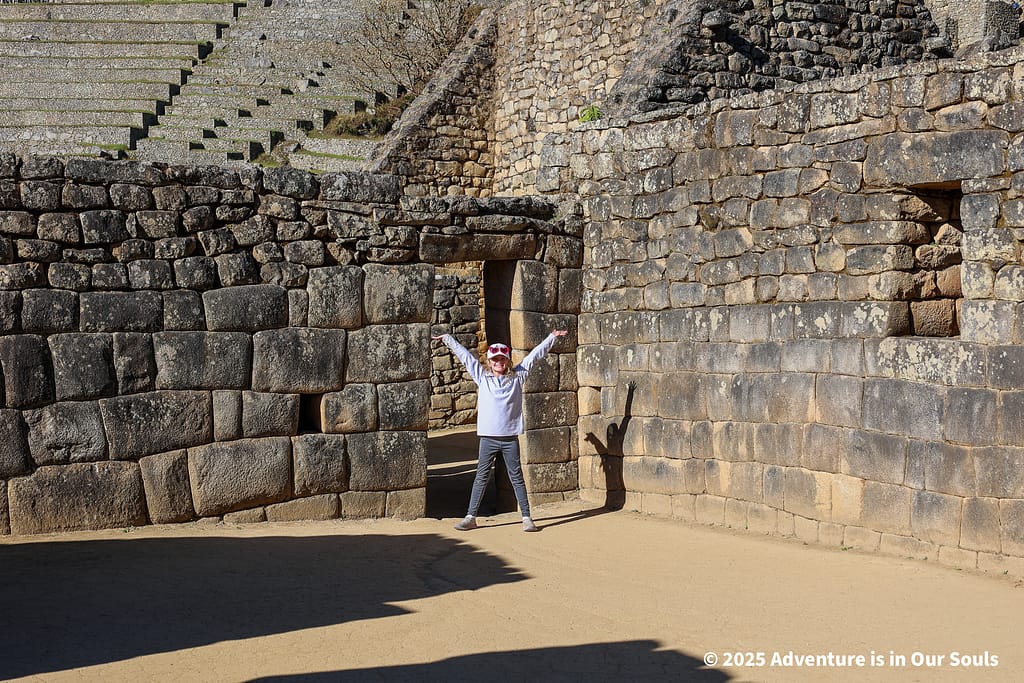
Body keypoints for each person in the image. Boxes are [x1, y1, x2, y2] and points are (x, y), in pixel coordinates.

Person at [432, 328, 569, 532]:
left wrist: (551, 338)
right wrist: (448, 339)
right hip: (488, 438)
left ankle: (526, 517)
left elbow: (534, 356)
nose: (498, 363)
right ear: (489, 362)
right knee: (481, 476)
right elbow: (465, 357)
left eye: (502, 359)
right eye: (495, 360)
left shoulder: (517, 377)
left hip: (509, 438)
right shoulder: (482, 377)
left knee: (516, 477)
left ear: (507, 361)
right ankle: (471, 516)